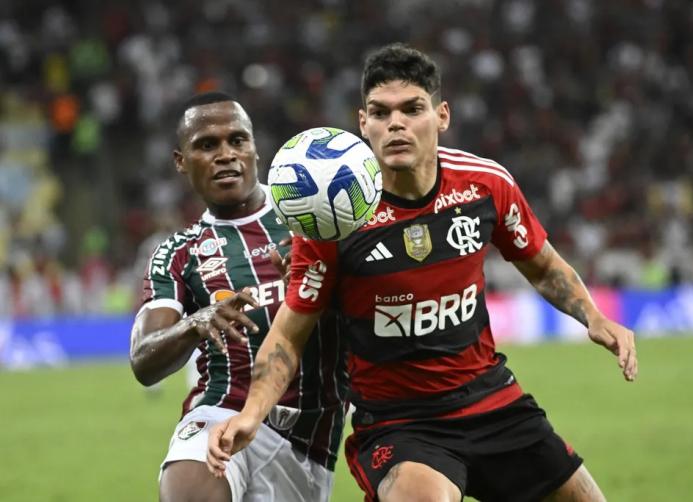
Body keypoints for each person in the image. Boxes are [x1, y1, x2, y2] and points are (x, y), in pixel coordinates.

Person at [206, 44, 638, 502]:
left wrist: (594, 316)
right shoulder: (335, 219)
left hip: (493, 402)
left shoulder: (485, 184)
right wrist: (251, 414)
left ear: (441, 116)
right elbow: (289, 335)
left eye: (412, 109)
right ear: (362, 123)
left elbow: (544, 266)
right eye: (381, 112)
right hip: (400, 423)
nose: (396, 124)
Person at [129, 91, 348, 502]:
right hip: (222, 412)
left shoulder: (313, 217)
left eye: (237, 140)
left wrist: (326, 292)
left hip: (310, 439)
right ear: (181, 161)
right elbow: (143, 359)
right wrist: (195, 323)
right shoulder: (178, 253)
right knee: (188, 489)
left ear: (255, 149)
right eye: (206, 145)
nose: (225, 155)